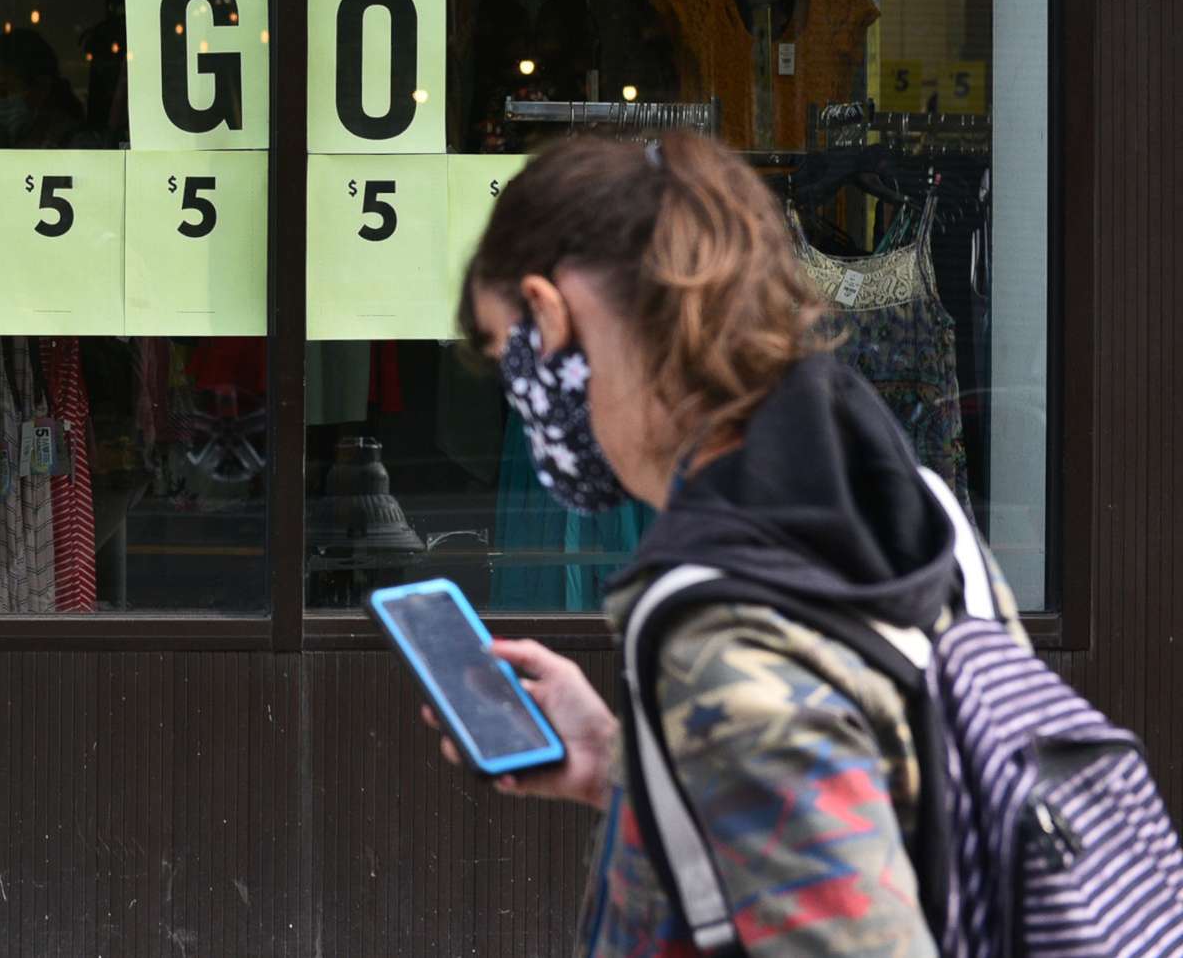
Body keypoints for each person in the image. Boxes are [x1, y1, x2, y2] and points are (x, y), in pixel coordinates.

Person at [430, 129, 1018, 956]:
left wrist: (709, 705)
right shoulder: (913, 513)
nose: (522, 404)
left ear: (553, 316)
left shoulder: (725, 634)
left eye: (508, 356)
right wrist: (619, 763)